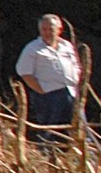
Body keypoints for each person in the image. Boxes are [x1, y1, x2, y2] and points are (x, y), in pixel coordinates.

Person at [16, 13, 79, 145]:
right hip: (49, 96)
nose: (47, 33)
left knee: (76, 127)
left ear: (59, 30)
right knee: (51, 130)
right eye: (44, 29)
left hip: (71, 93)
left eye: (51, 29)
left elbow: (76, 65)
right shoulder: (32, 48)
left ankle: (77, 157)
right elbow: (24, 72)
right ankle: (48, 156)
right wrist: (41, 90)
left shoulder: (67, 46)